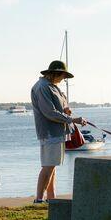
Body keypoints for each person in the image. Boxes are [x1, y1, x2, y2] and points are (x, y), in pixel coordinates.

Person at [31, 60, 85, 203]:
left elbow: (59, 108)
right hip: (50, 132)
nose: (63, 80)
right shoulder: (43, 87)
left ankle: (51, 197)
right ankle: (39, 199)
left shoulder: (52, 87)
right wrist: (73, 119)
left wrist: (66, 111)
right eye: (63, 76)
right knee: (48, 167)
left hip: (56, 132)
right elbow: (49, 112)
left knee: (51, 167)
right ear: (56, 73)